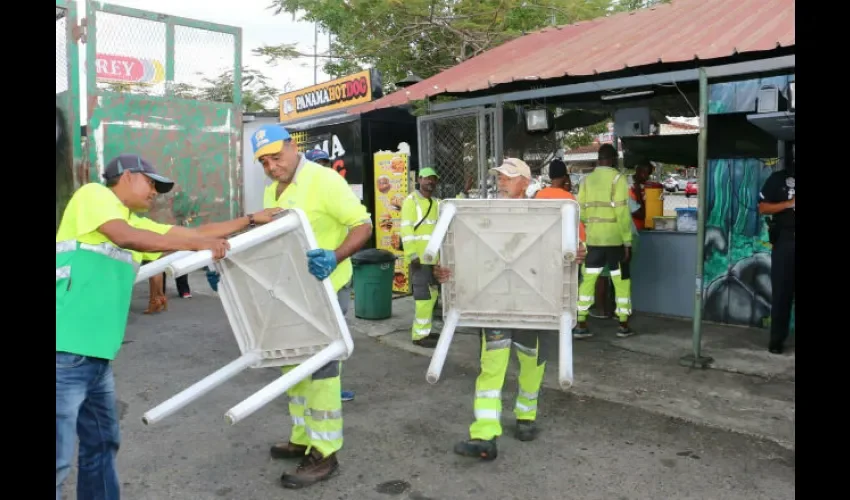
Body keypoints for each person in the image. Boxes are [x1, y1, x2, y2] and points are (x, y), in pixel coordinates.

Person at [56, 153, 282, 500]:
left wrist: (251, 219)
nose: (155, 194)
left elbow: (189, 233)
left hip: (96, 356)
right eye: (151, 184)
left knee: (101, 445)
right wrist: (197, 243)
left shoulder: (132, 220)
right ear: (127, 177)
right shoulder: (94, 196)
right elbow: (126, 236)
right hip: (65, 351)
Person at [431, 158, 586, 461]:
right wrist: (446, 271)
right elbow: (466, 252)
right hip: (496, 303)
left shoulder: (547, 214)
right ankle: (484, 435)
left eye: (509, 177)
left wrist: (580, 251)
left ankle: (526, 416)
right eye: (499, 176)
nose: (501, 181)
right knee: (491, 367)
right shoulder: (483, 216)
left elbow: (575, 245)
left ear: (525, 183)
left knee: (531, 365)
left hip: (534, 303)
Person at [252, 124, 372, 489]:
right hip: (292, 294)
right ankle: (303, 437)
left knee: (321, 370)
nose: (272, 167)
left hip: (325, 290)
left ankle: (324, 452)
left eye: (276, 156)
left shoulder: (324, 180)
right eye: (264, 162)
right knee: (294, 365)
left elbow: (362, 225)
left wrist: (334, 257)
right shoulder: (273, 190)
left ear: (292, 146)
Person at [574, 144, 635, 339]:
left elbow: (580, 212)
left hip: (593, 241)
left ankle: (581, 323)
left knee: (588, 280)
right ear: (614, 159)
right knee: (621, 281)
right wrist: (627, 242)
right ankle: (623, 325)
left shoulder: (586, 181)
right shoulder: (618, 179)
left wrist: (591, 226)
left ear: (598, 159)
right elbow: (622, 213)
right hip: (615, 241)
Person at [401, 167, 442, 348]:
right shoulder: (411, 201)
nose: (430, 182)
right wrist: (412, 255)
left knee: (431, 297)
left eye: (433, 179)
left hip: (434, 259)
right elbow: (406, 229)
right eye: (426, 178)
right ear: (419, 179)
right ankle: (419, 335)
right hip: (420, 259)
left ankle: (425, 330)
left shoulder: (437, 203)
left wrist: (464, 190)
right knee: (424, 298)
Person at [758, 156, 795, 354]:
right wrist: (789, 204)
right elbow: (763, 208)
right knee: (782, 292)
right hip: (786, 240)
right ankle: (777, 340)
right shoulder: (778, 178)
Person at [534, 159, 587, 243]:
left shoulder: (539, 195)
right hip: (563, 243)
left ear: (550, 175)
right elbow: (576, 226)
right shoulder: (568, 197)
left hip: (544, 241)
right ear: (564, 176)